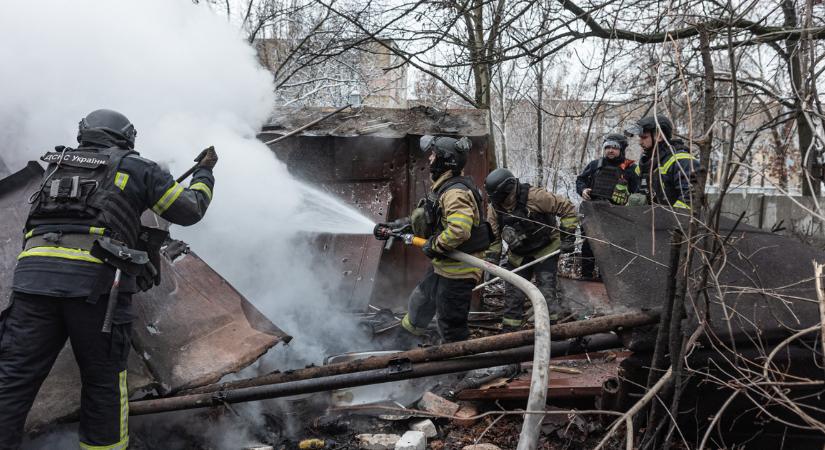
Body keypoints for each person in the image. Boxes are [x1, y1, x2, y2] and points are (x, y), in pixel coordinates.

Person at [0, 109, 217, 450]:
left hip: (33, 282)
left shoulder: (57, 164)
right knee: (103, 380)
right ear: (128, 136)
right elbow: (189, 209)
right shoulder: (138, 167)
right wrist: (204, 172)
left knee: (13, 377)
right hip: (96, 285)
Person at [374, 135, 490, 344]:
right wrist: (395, 227)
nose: (429, 159)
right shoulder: (445, 188)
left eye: (433, 155)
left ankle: (459, 368)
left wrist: (434, 245)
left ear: (445, 160)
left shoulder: (455, 192)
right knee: (421, 301)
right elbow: (429, 219)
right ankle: (404, 342)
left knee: (451, 322)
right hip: (444, 265)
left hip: (459, 270)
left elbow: (459, 230)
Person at [483, 168, 579, 330]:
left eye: (498, 197)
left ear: (507, 190)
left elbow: (568, 208)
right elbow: (494, 237)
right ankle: (510, 334)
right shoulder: (495, 207)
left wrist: (568, 237)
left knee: (546, 291)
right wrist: (491, 262)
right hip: (518, 255)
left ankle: (550, 331)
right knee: (513, 294)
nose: (496, 201)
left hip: (546, 249)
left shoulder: (535, 197)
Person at [575, 133, 640, 279]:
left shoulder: (631, 168)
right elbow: (580, 181)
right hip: (593, 215)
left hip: (617, 218)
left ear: (622, 149)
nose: (610, 150)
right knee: (589, 247)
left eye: (614, 147)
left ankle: (610, 281)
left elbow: (639, 194)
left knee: (614, 251)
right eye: (607, 147)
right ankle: (586, 278)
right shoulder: (594, 165)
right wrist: (583, 190)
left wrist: (629, 200)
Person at [625, 115, 701, 210]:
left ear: (659, 137)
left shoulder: (682, 162)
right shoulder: (644, 166)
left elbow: (690, 199)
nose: (640, 142)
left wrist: (670, 220)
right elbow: (639, 197)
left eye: (644, 137)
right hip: (650, 222)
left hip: (676, 222)